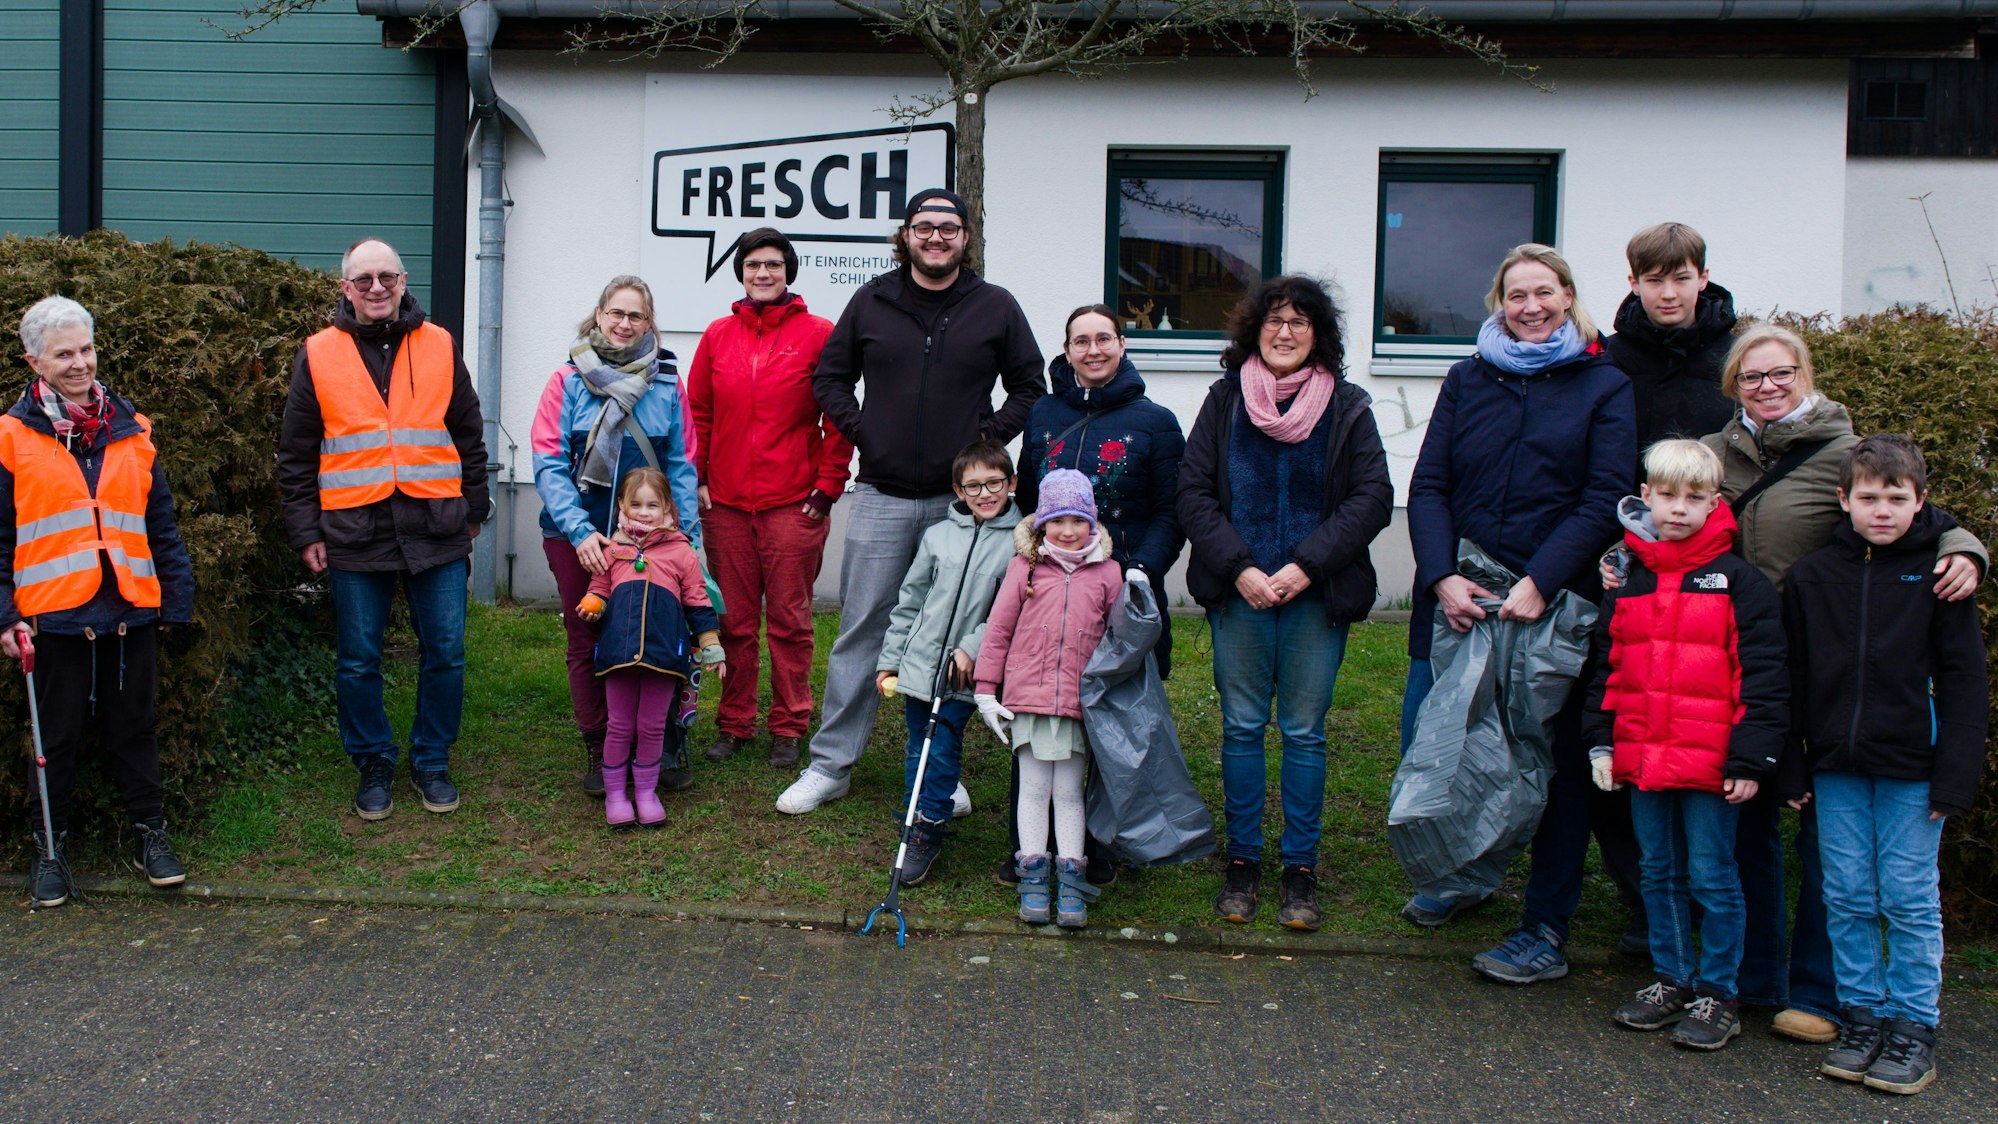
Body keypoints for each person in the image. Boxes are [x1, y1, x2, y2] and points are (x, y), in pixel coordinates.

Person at [1696, 323, 1984, 1043]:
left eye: (1780, 372)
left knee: (1851, 865)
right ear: (1734, 384)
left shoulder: (1841, 448)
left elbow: (1919, 513)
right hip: (1736, 657)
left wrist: (1964, 548)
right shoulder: (1716, 451)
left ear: (1805, 373)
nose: (1767, 386)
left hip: (1841, 680)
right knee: (1753, 827)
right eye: (1752, 376)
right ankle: (1755, 981)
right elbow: (1671, 510)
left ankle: (1831, 997)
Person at [1401, 245, 1637, 977]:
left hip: (1554, 603)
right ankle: (1461, 875)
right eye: (1515, 294)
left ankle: (1544, 927)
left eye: (1544, 292)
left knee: (1550, 762)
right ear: (1497, 302)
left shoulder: (1604, 385)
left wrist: (1542, 579)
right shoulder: (1469, 380)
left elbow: (1605, 497)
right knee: (1452, 740)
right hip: (1463, 596)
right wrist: (1440, 574)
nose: (1530, 307)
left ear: (1568, 296)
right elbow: (1431, 483)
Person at [781, 187, 1044, 815]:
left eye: (948, 228)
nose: (935, 237)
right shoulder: (872, 301)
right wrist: (867, 431)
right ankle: (831, 765)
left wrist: (986, 440)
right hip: (881, 495)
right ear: (905, 236)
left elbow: (1031, 385)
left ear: (965, 238)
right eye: (923, 227)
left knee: (948, 631)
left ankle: (936, 769)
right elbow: (829, 378)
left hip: (962, 507)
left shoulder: (995, 306)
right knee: (864, 630)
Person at [1177, 275, 1393, 933]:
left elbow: (1372, 497)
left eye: (1300, 321)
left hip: (1313, 596)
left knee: (1304, 731)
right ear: (1253, 330)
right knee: (1242, 726)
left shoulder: (1348, 406)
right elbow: (1193, 493)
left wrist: (1305, 566)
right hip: (1240, 595)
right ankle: (1242, 861)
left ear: (1318, 333)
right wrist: (1240, 568)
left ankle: (1299, 868)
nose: (1285, 331)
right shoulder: (1224, 402)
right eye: (1274, 320)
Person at [1778, 435, 1987, 1096]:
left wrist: (1954, 777)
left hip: (1914, 772)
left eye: (1897, 498)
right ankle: (1861, 1017)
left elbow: (1964, 684)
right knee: (1846, 895)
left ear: (1921, 501)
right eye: (1868, 497)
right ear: (1844, 500)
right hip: (1836, 766)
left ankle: (1912, 1029)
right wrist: (1790, 766)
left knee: (1907, 899)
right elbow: (1791, 679)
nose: (1883, 511)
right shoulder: (1813, 577)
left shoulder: (1940, 574)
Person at [1583, 440, 1788, 1052]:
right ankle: (1671, 978)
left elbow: (1764, 675)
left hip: (1711, 764)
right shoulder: (1628, 579)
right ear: (1646, 497)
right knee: (1658, 871)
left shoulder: (1741, 584)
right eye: (1667, 496)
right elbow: (1607, 669)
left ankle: (1719, 992)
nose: (1678, 509)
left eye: (1693, 498)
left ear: (1713, 503)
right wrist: (1601, 744)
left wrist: (1752, 758)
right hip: (1643, 756)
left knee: (1714, 876)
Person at [278, 238, 489, 821]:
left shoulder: (440, 343)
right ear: (345, 288)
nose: (377, 288)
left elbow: (468, 433)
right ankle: (373, 762)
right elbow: (295, 454)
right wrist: (305, 532)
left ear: (403, 282)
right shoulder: (318, 352)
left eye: (387, 278)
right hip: (354, 529)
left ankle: (431, 760)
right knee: (358, 659)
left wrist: (476, 509)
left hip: (437, 524)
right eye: (364, 279)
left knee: (445, 651)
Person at [1, 296, 196, 907]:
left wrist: (176, 602)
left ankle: (150, 836)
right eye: (64, 353)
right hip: (53, 616)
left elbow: (160, 523)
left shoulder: (131, 429)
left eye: (85, 349)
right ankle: (50, 850)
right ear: (35, 361)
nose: (80, 363)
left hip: (128, 611)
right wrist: (5, 615)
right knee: (52, 739)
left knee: (135, 731)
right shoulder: (9, 437)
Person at [1005, 303, 1186, 886]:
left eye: (1104, 338)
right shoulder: (1043, 415)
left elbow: (1171, 511)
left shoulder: (1155, 422)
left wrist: (1143, 570)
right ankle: (1028, 844)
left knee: (1109, 718)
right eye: (1081, 341)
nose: (1093, 350)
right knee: (1040, 706)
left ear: (1123, 345)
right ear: (1067, 350)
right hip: (1047, 595)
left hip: (1119, 594)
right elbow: (1030, 499)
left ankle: (1103, 844)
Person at [532, 274, 702, 798]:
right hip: (578, 537)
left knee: (666, 630)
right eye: (617, 313)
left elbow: (682, 462)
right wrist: (580, 530)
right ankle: (601, 738)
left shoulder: (669, 382)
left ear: (649, 323)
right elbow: (547, 460)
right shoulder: (566, 379)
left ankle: (664, 738)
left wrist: (686, 536)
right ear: (600, 314)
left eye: (637, 316)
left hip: (655, 540)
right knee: (587, 635)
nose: (625, 324)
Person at [687, 229, 851, 770]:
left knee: (789, 620)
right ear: (740, 272)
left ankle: (788, 725)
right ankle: (734, 723)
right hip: (727, 506)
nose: (763, 274)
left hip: (793, 504)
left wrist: (828, 485)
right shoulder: (717, 336)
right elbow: (701, 415)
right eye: (753, 264)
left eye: (774, 265)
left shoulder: (819, 334)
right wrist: (699, 477)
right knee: (731, 620)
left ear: (789, 271)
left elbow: (839, 416)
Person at [975, 469, 1123, 930]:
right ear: (1041, 524)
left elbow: (1120, 640)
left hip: (1079, 705)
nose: (1067, 530)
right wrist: (984, 690)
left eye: (1078, 520)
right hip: (1029, 701)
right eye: (1057, 520)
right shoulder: (1025, 567)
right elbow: (998, 630)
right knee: (1034, 789)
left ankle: (1072, 880)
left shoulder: (1108, 572)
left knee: (1069, 794)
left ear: (1092, 522)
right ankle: (1033, 875)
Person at [874, 440, 1023, 886]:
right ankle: (914, 809)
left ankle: (928, 826)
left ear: (1011, 483)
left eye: (994, 483)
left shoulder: (1022, 542)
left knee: (940, 743)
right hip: (920, 663)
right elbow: (910, 601)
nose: (984, 493)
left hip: (966, 668)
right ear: (958, 490)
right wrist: (891, 659)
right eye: (973, 486)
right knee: (919, 743)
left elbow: (1009, 609)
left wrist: (971, 647)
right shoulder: (937, 536)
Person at [575, 468, 723, 827]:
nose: (644, 512)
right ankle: (615, 794)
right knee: (620, 725)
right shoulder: (612, 550)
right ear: (622, 506)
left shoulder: (682, 552)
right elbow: (600, 588)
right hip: (618, 655)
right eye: (636, 504)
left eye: (652, 504)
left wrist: (712, 645)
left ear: (667, 508)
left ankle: (645, 791)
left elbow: (698, 601)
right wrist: (593, 604)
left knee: (653, 725)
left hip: (663, 655)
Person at [1605, 222, 1738, 462]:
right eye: (1655, 280)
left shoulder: (1737, 357)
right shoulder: (1608, 356)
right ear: (1634, 283)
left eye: (1681, 279)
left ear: (1702, 278)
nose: (1668, 293)